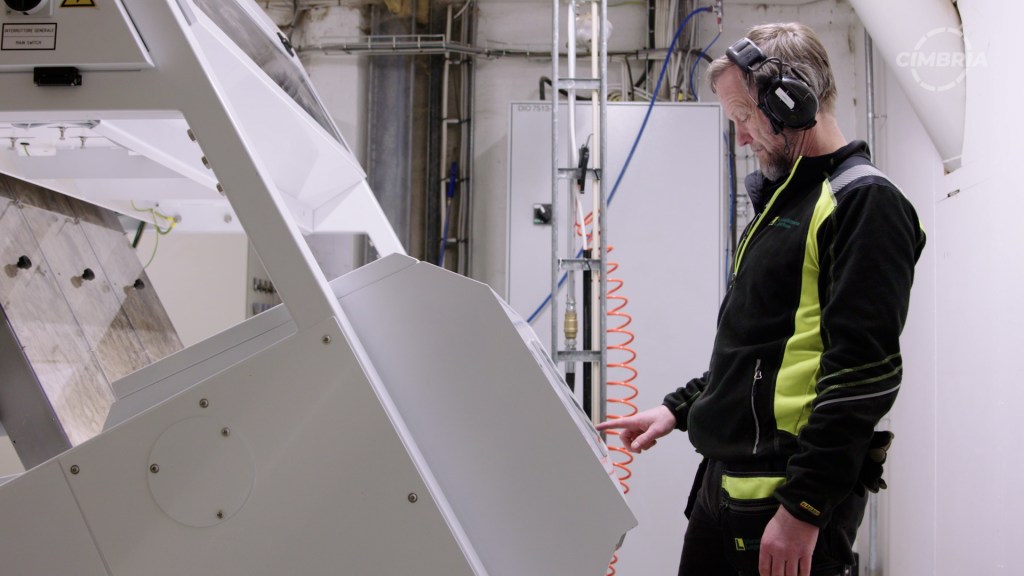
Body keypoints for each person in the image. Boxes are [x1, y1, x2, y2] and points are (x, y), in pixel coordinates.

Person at [596, 22, 926, 576]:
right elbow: (760, 347)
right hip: (725, 486)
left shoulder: (863, 203)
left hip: (780, 497)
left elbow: (862, 376)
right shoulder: (785, 203)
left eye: (744, 117)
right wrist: (679, 408)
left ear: (790, 101)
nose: (742, 138)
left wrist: (804, 507)